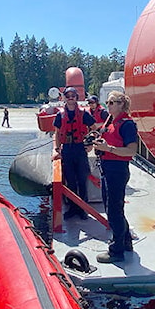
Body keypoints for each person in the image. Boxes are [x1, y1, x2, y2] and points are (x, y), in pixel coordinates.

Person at [91, 91, 138, 263]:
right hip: (108, 169)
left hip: (117, 170)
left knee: (113, 210)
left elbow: (131, 150)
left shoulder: (127, 125)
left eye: (112, 102)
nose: (108, 105)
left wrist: (108, 148)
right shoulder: (112, 122)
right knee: (114, 207)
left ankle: (116, 250)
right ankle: (125, 241)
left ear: (121, 105)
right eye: (108, 102)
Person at [53, 86, 97, 219]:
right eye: (68, 96)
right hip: (67, 149)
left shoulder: (84, 114)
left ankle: (83, 209)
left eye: (73, 96)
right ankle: (72, 208)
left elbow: (94, 129)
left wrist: (90, 145)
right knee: (70, 181)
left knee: (82, 180)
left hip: (80, 148)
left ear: (77, 98)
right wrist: (56, 149)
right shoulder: (60, 115)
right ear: (64, 98)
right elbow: (56, 133)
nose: (70, 98)